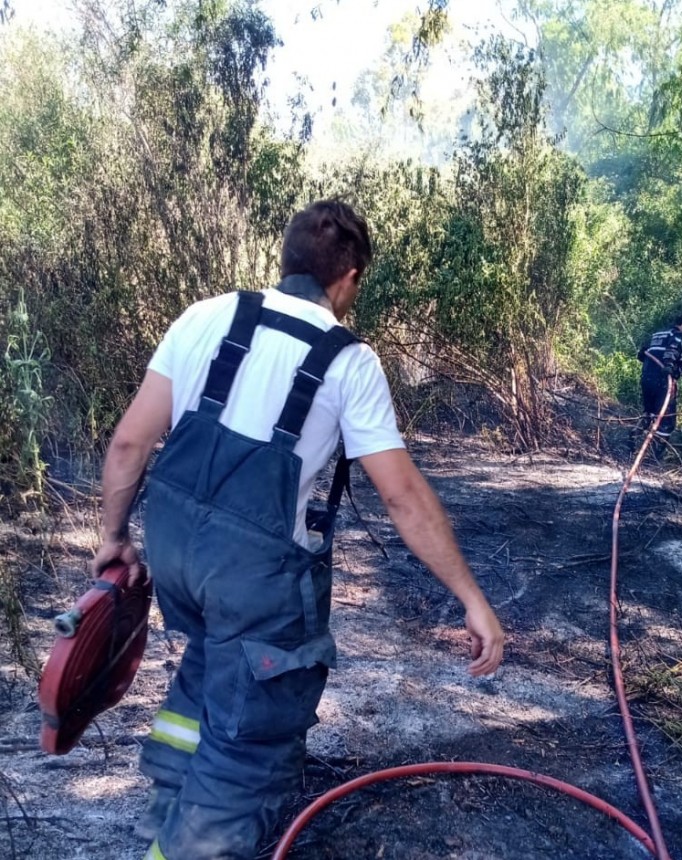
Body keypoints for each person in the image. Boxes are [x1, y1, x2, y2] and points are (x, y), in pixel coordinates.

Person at [91, 200, 505, 860]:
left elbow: (129, 446)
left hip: (174, 556)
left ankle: (161, 816)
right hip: (255, 580)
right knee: (248, 740)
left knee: (206, 669)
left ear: (286, 263)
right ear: (350, 279)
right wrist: (471, 598)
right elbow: (402, 498)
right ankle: (188, 846)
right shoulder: (348, 362)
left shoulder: (206, 316)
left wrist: (114, 537)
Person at [632, 311, 682, 455]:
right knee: (666, 418)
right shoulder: (676, 336)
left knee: (649, 413)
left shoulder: (658, 334)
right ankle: (655, 454)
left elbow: (643, 353)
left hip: (646, 378)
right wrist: (669, 365)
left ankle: (632, 441)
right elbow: (672, 351)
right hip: (662, 380)